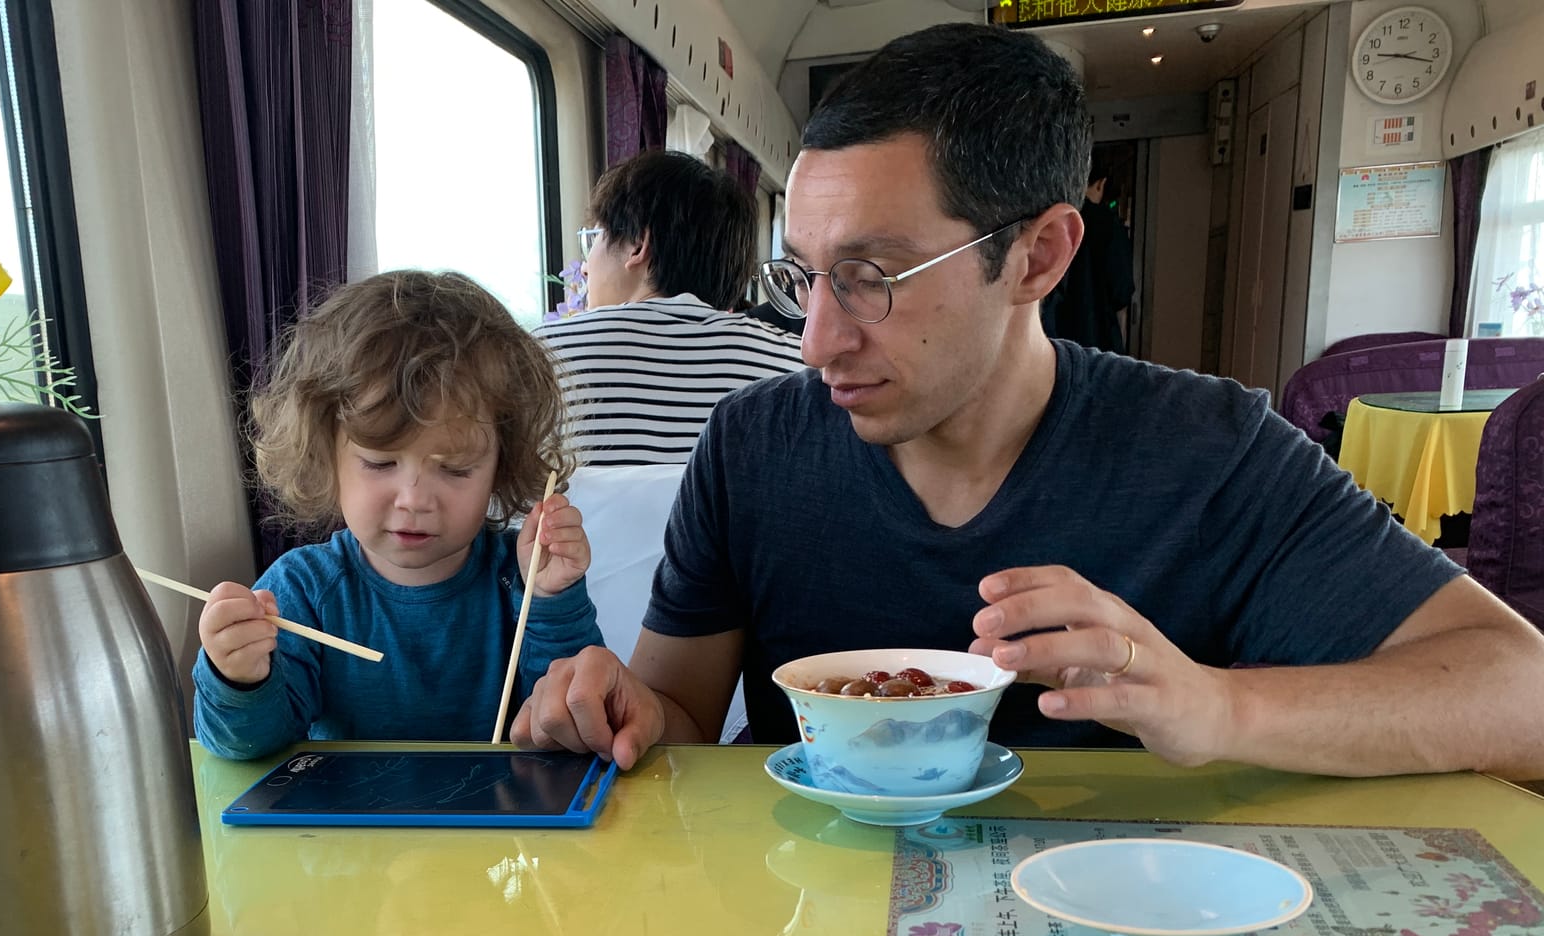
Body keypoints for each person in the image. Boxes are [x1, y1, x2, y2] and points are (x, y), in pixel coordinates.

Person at [512, 23, 1544, 782]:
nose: (817, 340)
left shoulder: (1206, 451)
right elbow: (683, 721)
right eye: (802, 278)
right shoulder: (752, 448)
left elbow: (1517, 690)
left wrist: (1216, 704)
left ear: (1038, 255)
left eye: (872, 273)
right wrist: (618, 707)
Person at [194, 271, 602, 759]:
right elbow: (249, 747)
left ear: (501, 467)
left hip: (504, 827)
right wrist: (237, 675)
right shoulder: (303, 590)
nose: (413, 499)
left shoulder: (520, 575)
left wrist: (551, 598)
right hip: (350, 832)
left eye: (455, 469)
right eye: (380, 462)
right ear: (326, 454)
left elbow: (571, 721)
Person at [535, 149, 803, 465]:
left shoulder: (541, 359)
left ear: (637, 244)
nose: (584, 268)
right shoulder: (797, 369)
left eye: (593, 239)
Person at [1047, 167, 1134, 353]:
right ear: (1101, 183)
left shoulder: (1053, 222)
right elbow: (1121, 291)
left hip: (1056, 338)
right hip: (1099, 336)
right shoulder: (1109, 224)